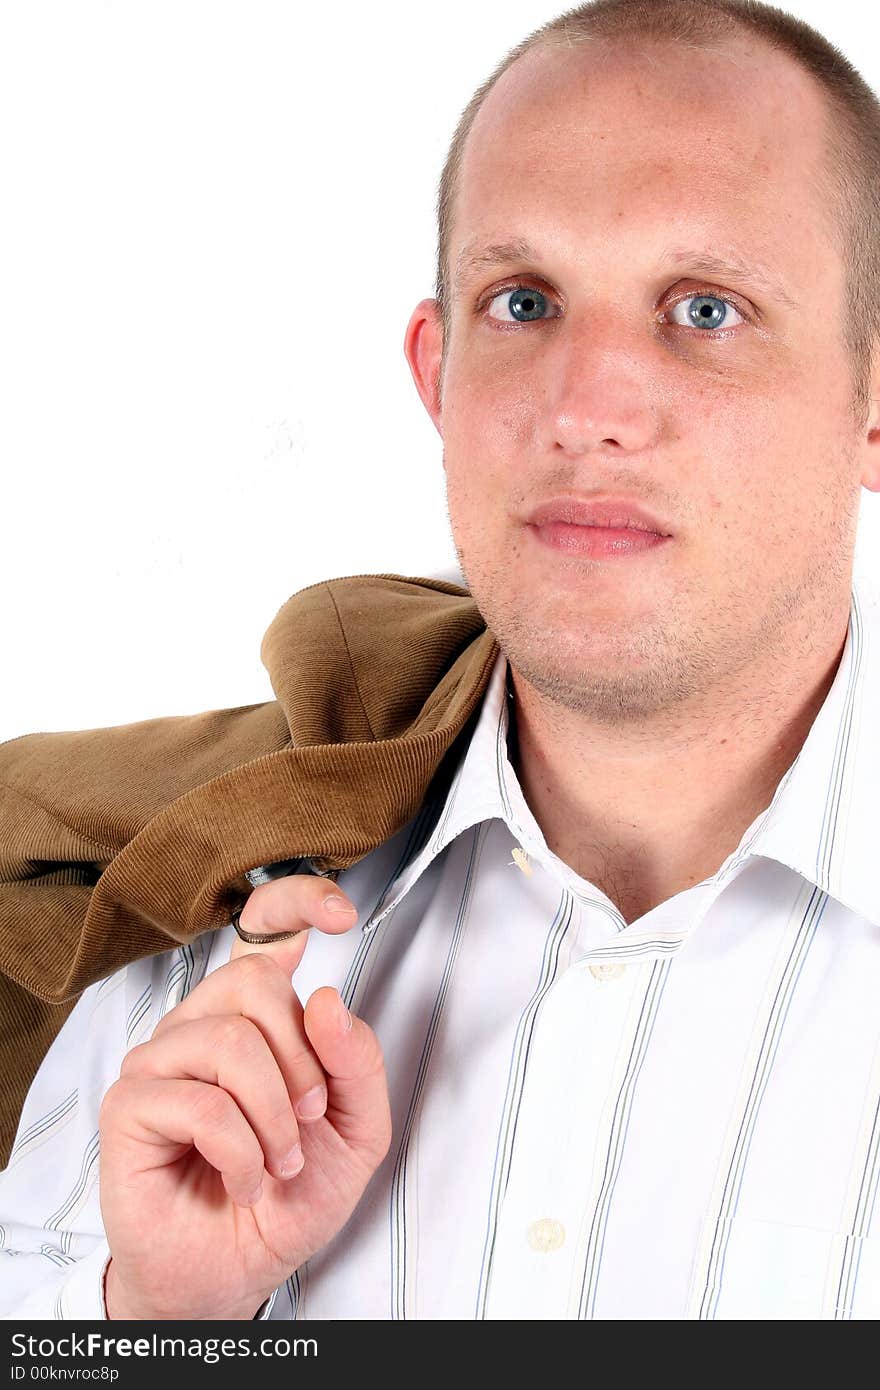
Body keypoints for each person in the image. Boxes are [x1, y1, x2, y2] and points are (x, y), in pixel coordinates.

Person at [2, 0, 880, 1320]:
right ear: (437, 371)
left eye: (707, 308)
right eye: (522, 301)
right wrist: (171, 1322)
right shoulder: (172, 951)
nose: (585, 409)